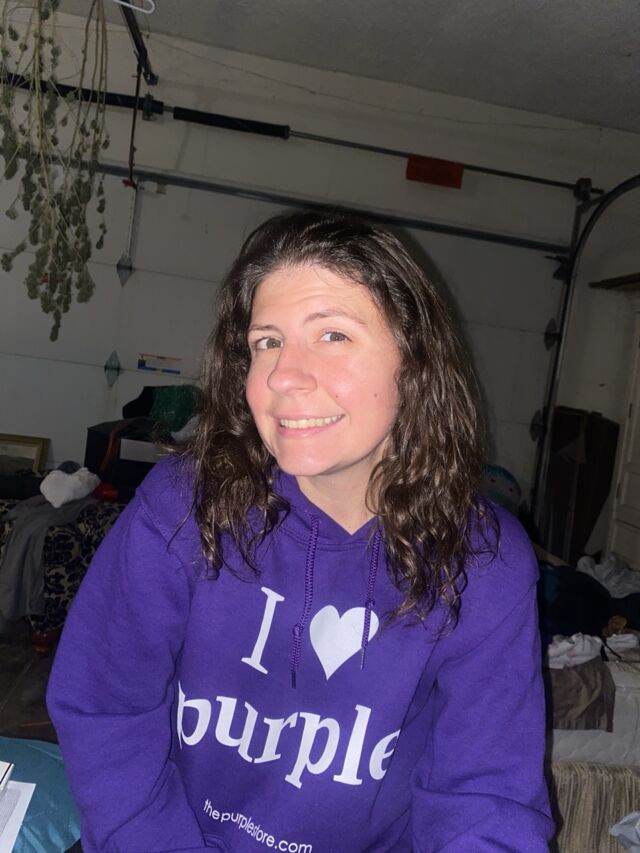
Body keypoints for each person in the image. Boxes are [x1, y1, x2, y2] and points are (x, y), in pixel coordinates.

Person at [47, 209, 553, 852]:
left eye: (333, 335)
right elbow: (105, 707)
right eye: (267, 342)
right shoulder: (185, 504)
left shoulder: (483, 560)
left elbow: (484, 796)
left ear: (415, 364)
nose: (284, 375)